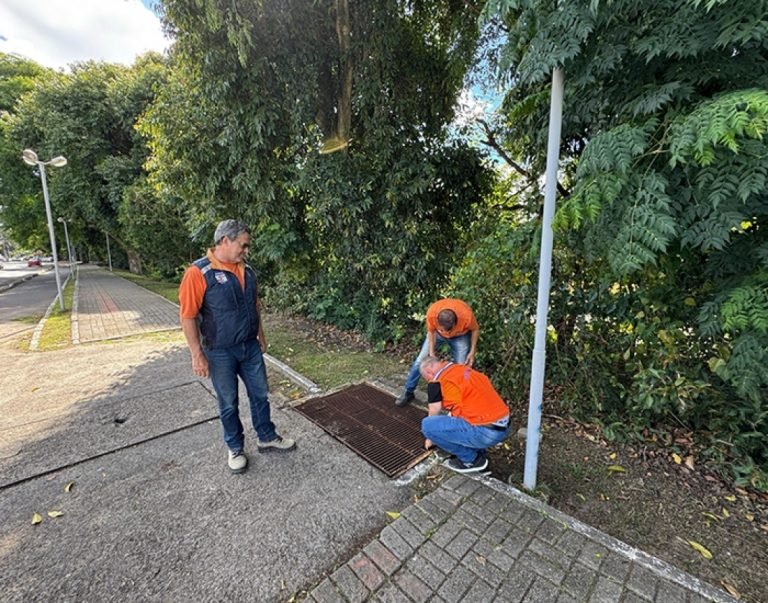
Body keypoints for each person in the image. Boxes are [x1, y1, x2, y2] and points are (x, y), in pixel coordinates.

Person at [179, 219, 295, 474]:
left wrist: (260, 336)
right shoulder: (198, 273)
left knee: (260, 394)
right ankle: (235, 448)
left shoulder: (248, 271)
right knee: (229, 402)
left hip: (249, 347)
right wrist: (197, 354)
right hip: (219, 351)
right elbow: (187, 316)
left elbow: (254, 307)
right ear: (225, 241)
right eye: (243, 245)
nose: (246, 250)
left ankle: (267, 436)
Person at [419, 356, 510, 473]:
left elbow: (434, 409)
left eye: (426, 378)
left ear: (429, 372)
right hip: (504, 426)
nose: (428, 381)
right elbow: (458, 408)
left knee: (427, 425)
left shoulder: (436, 382)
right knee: (456, 417)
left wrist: (430, 438)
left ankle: (472, 460)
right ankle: (480, 454)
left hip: (486, 432)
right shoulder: (461, 369)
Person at [395, 298, 479, 407]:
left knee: (462, 366)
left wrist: (472, 351)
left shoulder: (466, 316)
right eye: (442, 329)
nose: (446, 333)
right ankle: (408, 391)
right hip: (436, 335)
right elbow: (431, 332)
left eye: (447, 330)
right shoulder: (432, 313)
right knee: (421, 360)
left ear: (455, 323)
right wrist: (431, 351)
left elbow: (475, 330)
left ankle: (459, 399)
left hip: (459, 336)